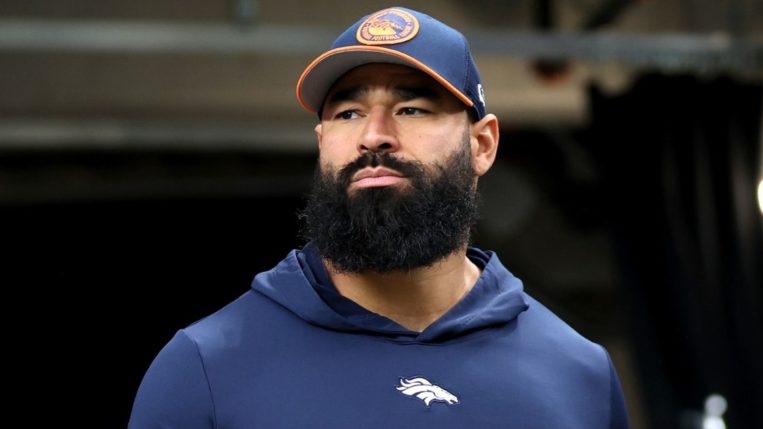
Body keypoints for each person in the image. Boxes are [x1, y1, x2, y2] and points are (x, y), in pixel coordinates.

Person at [129, 6, 629, 428]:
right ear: (322, 143)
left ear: (482, 145)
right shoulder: (206, 367)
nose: (374, 135)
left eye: (411, 108)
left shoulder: (577, 374)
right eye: (348, 114)